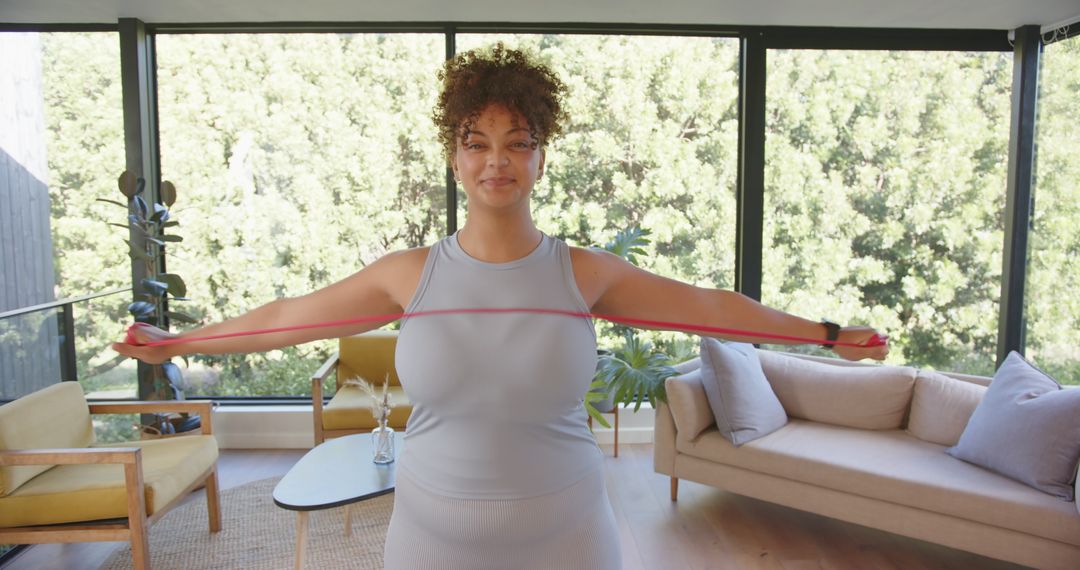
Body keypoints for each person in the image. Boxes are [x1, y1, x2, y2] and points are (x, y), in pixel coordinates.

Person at [114, 43, 888, 569]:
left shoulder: (583, 274)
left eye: (517, 142)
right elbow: (287, 316)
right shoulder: (405, 275)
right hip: (428, 537)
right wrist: (179, 342)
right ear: (454, 157)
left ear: (541, 158)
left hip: (569, 535)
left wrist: (822, 333)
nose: (496, 160)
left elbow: (708, 305)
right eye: (476, 141)